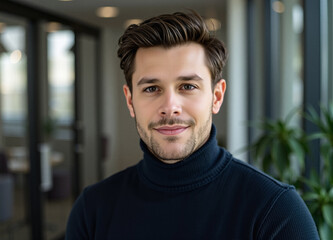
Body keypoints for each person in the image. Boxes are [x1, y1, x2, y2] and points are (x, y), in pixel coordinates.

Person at [65, 11, 319, 239]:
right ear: (130, 100)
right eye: (152, 88)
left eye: (188, 86)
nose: (170, 106)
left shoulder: (276, 211)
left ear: (216, 97)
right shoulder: (93, 210)